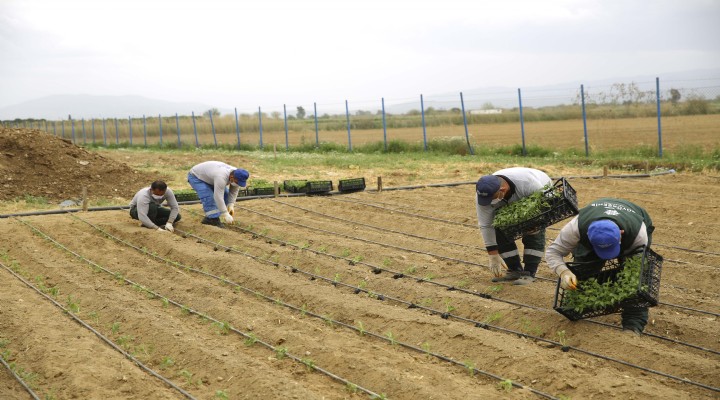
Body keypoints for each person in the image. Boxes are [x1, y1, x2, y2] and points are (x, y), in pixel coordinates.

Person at [545, 198, 655, 335]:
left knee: (635, 278)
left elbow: (637, 269)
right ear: (587, 237)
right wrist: (564, 272)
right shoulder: (575, 228)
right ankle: (578, 306)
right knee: (583, 267)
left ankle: (633, 325)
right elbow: (553, 252)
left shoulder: (638, 234)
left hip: (635, 221)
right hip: (593, 228)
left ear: (620, 234)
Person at [476, 167, 552, 285]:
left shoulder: (529, 185)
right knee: (499, 228)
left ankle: (529, 272)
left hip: (539, 190)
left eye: (492, 198)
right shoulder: (484, 196)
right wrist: (493, 254)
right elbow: (486, 225)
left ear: (503, 189)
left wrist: (538, 222)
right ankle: (514, 269)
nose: (489, 202)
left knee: (532, 228)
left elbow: (548, 204)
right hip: (510, 200)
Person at [187, 161, 249, 227]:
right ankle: (212, 219)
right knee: (209, 197)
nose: (238, 183)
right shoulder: (221, 176)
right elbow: (218, 197)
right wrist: (225, 213)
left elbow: (233, 192)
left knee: (226, 195)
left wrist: (231, 204)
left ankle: (214, 215)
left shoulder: (237, 175)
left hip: (210, 177)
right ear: (231, 177)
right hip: (196, 177)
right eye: (237, 182)